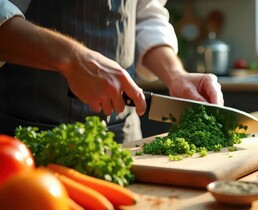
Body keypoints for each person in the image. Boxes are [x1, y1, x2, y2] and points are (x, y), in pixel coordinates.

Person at [0, 0, 224, 142]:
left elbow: (146, 14)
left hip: (123, 139)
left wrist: (176, 75)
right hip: (23, 139)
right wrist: (72, 58)